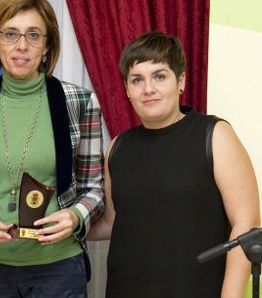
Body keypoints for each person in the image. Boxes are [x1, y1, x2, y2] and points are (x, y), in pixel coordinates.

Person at [0, 0, 105, 298]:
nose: (22, 45)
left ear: (47, 46)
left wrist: (75, 217)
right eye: (10, 34)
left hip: (60, 269)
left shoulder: (79, 102)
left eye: (33, 35)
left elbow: (94, 190)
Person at [88, 30, 260, 298]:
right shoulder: (118, 147)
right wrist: (63, 223)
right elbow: (113, 223)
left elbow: (246, 225)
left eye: (159, 76)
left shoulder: (214, 135)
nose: (148, 89)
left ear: (181, 81)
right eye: (137, 80)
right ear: (127, 89)